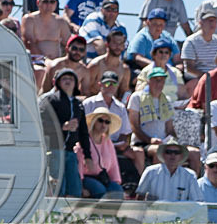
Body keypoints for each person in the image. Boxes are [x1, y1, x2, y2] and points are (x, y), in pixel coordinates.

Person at [39, 68, 92, 197]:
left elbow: (83, 132)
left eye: (71, 79)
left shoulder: (78, 104)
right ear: (58, 82)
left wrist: (88, 156)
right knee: (58, 189)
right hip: (53, 151)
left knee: (75, 190)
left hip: (70, 152)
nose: (68, 81)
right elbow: (41, 123)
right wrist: (62, 126)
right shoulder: (50, 100)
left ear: (76, 83)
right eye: (64, 78)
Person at [83, 70, 145, 177]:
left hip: (115, 146)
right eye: (107, 83)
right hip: (93, 144)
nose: (111, 86)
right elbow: (83, 128)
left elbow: (125, 133)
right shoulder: (88, 103)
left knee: (138, 152)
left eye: (114, 84)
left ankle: (140, 183)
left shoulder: (120, 107)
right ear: (100, 84)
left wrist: (121, 144)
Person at [74, 107, 123, 198]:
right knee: (100, 190)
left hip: (103, 177)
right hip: (86, 178)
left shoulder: (108, 142)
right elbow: (78, 165)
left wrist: (116, 181)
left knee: (117, 190)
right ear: (94, 122)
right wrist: (80, 187)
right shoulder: (84, 140)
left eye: (107, 122)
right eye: (100, 120)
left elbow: (113, 165)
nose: (103, 125)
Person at [22, 0, 70, 84]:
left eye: (52, 2)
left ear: (56, 4)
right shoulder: (29, 19)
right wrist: (45, 60)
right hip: (35, 62)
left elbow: (69, 43)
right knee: (41, 72)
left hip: (56, 61)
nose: (49, 5)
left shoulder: (60, 21)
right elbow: (29, 42)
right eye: (45, 1)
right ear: (38, 3)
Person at [135, 136, 203, 201]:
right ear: (163, 154)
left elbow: (197, 201)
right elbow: (140, 198)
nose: (172, 155)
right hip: (154, 209)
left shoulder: (190, 175)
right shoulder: (150, 172)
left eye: (176, 152)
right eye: (168, 152)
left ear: (181, 156)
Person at [135, 38, 186, 103]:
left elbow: (183, 94)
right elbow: (138, 91)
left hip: (173, 105)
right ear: (153, 54)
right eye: (160, 52)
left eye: (166, 52)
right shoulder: (146, 71)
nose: (163, 55)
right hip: (151, 105)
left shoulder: (175, 72)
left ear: (169, 55)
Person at [87, 29, 129, 98]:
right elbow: (85, 89)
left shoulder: (125, 69)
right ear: (107, 44)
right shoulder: (96, 65)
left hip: (113, 103)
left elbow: (123, 93)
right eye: (115, 43)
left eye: (121, 43)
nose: (118, 46)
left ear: (124, 46)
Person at [182, 9, 217, 78]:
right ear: (201, 23)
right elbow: (189, 68)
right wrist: (207, 77)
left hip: (216, 78)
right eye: (210, 21)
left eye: (214, 21)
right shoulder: (191, 41)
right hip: (196, 78)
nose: (212, 23)